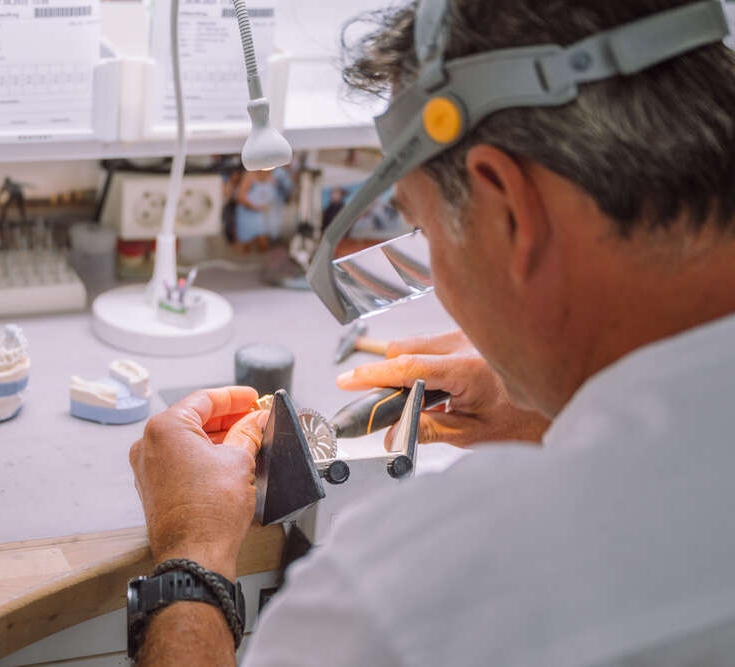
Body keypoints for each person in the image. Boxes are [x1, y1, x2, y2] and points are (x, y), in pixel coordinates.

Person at [128, 1, 735, 665]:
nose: (435, 278)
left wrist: (192, 556)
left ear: (507, 207)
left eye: (422, 230)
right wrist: (549, 409)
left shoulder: (415, 594)